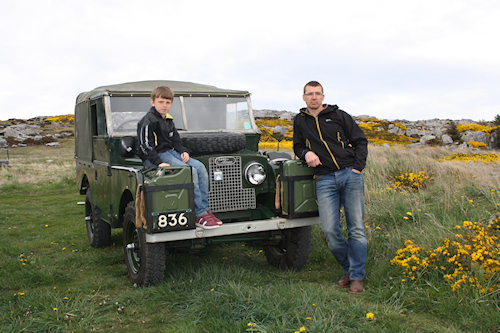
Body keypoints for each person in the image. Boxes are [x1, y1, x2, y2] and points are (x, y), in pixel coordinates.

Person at [293, 81, 368, 294]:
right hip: (324, 179)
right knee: (330, 231)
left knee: (356, 229)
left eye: (317, 94)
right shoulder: (300, 121)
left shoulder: (339, 115)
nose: (314, 97)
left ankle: (356, 278)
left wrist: (357, 169)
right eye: (310, 94)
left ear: (323, 96)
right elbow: (297, 145)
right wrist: (306, 153)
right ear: (304, 97)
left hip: (350, 175)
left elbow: (360, 141)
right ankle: (350, 270)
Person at [137, 86, 221, 229]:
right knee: (189, 171)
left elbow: (176, 140)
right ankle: (197, 214)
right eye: (161, 102)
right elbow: (145, 146)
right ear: (152, 102)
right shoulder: (147, 121)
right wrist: (159, 162)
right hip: (156, 157)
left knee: (200, 167)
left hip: (171, 153)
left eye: (168, 102)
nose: (164, 105)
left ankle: (204, 210)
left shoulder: (168, 120)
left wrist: (183, 151)